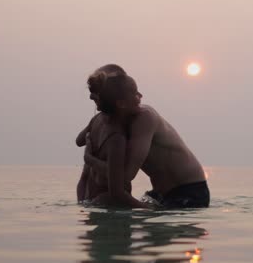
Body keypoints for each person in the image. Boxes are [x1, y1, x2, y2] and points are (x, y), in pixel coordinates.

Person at [86, 72, 210, 209]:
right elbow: (80, 140)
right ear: (121, 104)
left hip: (190, 191)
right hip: (160, 193)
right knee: (106, 202)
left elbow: (126, 175)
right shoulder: (113, 123)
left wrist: (90, 160)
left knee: (121, 206)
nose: (141, 96)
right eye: (135, 93)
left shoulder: (145, 118)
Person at [75, 64, 127, 203]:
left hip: (88, 200)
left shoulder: (95, 121)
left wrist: (89, 157)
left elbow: (79, 141)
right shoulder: (116, 134)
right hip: (109, 205)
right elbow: (118, 186)